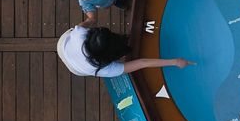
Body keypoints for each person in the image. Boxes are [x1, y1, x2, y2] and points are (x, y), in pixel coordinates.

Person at [56, 26, 193, 78]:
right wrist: (175, 61)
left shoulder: (79, 33)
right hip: (74, 65)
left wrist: (89, 19)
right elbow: (142, 63)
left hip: (63, 44)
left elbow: (82, 27)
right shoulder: (103, 69)